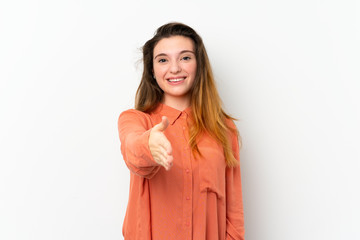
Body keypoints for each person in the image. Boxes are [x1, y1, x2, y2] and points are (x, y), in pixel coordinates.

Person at [117, 22, 245, 240]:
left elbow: (234, 214)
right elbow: (132, 147)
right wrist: (149, 145)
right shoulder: (136, 119)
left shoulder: (224, 129)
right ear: (152, 70)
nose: (174, 68)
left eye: (185, 57)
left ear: (199, 64)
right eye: (163, 60)